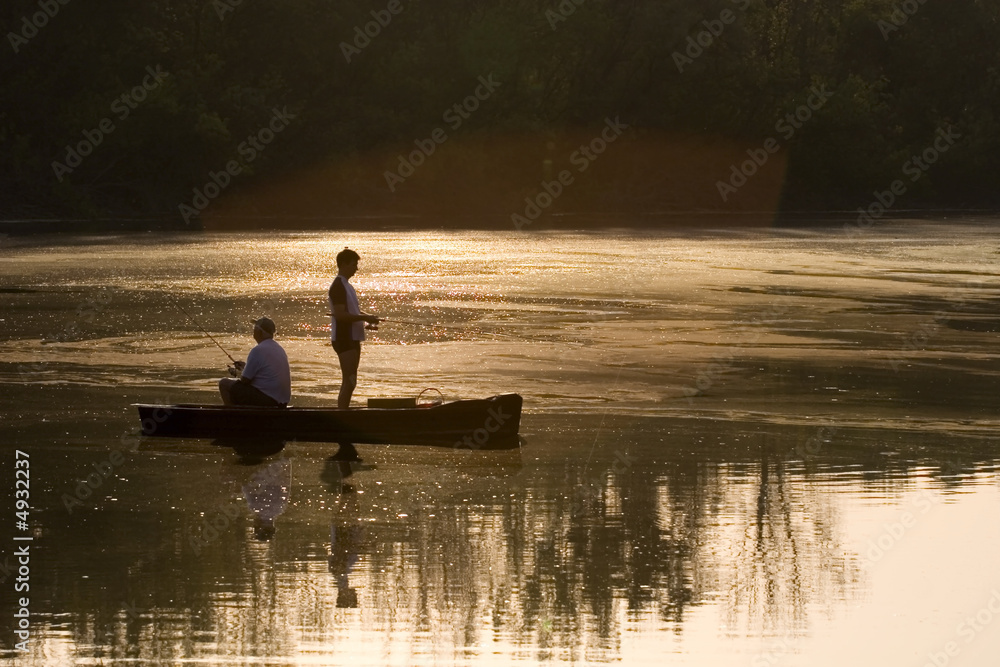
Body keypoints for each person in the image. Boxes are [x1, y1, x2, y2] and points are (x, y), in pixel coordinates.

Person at [329, 248, 379, 408]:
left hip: (353, 338)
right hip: (344, 338)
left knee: (352, 380)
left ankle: (344, 410)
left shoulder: (347, 285)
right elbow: (340, 315)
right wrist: (364, 318)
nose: (356, 268)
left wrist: (367, 317)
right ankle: (342, 413)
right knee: (349, 380)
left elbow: (352, 312)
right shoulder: (338, 286)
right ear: (343, 264)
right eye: (353, 264)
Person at [218, 317, 291, 407]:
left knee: (224, 383)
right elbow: (264, 375)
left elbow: (245, 380)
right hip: (281, 402)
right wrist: (245, 367)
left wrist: (236, 372)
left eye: (255, 330)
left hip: (267, 400)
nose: (253, 332)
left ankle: (231, 417)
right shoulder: (279, 349)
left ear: (260, 332)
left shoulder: (258, 350)